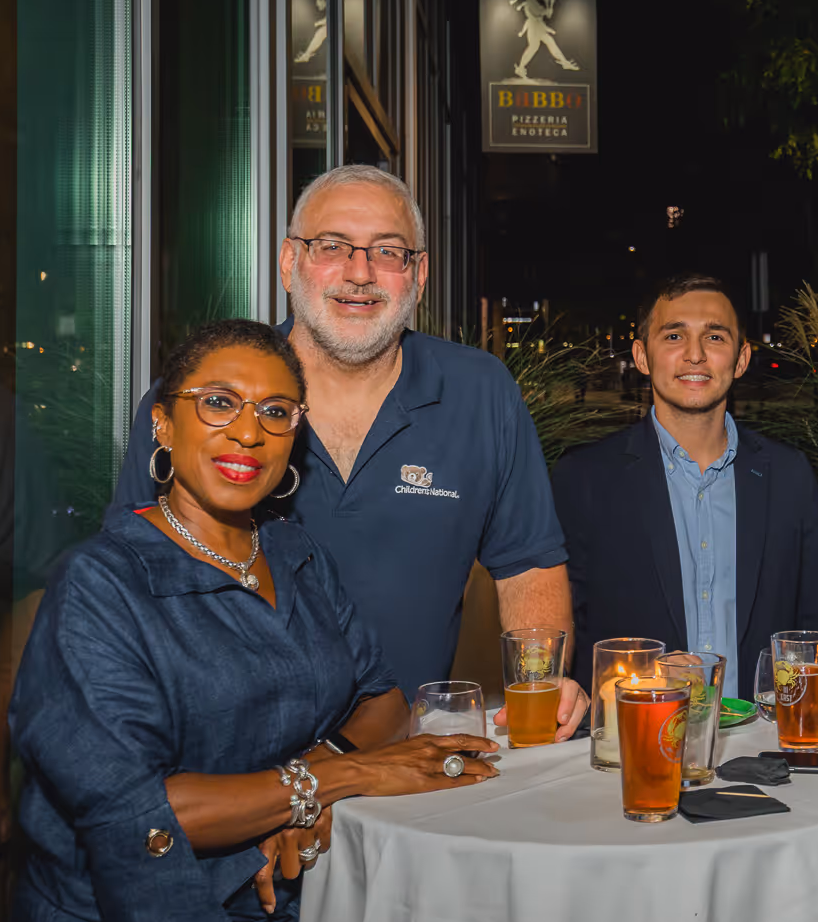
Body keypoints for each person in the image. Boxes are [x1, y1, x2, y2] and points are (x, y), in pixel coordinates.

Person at [10, 321, 499, 922]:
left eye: (276, 412)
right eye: (218, 401)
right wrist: (328, 783)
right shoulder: (100, 583)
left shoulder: (294, 552)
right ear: (162, 424)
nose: (248, 432)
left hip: (292, 916)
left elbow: (382, 703)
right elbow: (142, 811)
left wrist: (289, 802)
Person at [110, 165, 588, 737]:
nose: (360, 274)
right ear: (289, 262)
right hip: (224, 764)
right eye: (332, 246)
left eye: (388, 252)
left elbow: (529, 564)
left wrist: (537, 686)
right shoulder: (203, 404)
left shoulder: (480, 392)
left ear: (419, 274)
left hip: (409, 766)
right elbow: (126, 588)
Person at [551, 274, 818, 701]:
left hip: (762, 749)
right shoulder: (584, 479)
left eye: (715, 337)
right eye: (674, 335)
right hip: (634, 744)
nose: (694, 355)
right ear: (642, 356)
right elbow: (568, 642)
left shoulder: (789, 476)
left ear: (741, 359)